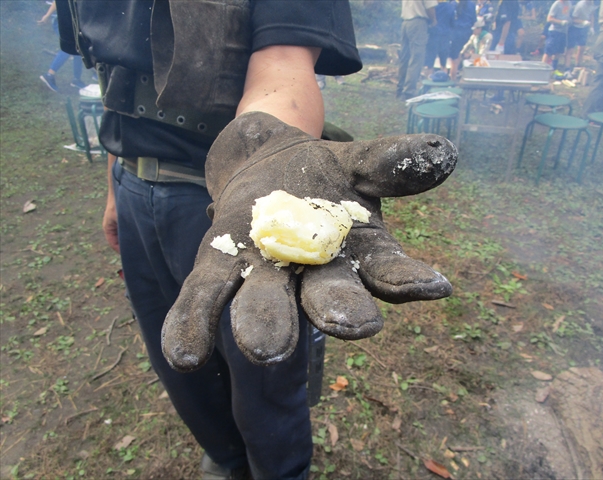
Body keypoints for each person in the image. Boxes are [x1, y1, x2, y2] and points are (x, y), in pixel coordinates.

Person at [55, 1, 457, 479]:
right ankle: (226, 460)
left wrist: (262, 153)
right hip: (131, 182)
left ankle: (278, 472)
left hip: (228, 198)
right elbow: (116, 81)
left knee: (264, 371)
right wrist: (115, 183)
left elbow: (284, 62)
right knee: (182, 365)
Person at [37, 1, 85, 92]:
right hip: (62, 21)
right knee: (69, 47)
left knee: (79, 48)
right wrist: (47, 15)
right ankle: (49, 75)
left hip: (72, 21)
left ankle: (76, 80)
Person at [397, 0, 438, 99]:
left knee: (404, 58)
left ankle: (400, 89)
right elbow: (430, 7)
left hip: (405, 22)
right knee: (416, 58)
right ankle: (408, 92)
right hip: (418, 22)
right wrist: (434, 20)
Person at [424, 0, 456, 78]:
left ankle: (428, 80)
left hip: (433, 35)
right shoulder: (450, 7)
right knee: (443, 62)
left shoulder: (433, 7)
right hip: (445, 36)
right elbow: (453, 23)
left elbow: (428, 20)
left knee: (430, 62)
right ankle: (443, 79)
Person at [449, 0, 478, 80]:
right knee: (462, 56)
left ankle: (453, 78)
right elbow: (474, 21)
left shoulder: (453, 4)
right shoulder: (471, 4)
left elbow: (450, 20)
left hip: (455, 33)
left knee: (454, 58)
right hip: (467, 34)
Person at [541, 0, 573, 71]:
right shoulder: (556, 4)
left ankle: (553, 69)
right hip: (554, 31)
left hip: (563, 32)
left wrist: (569, 21)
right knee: (548, 51)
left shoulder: (568, 4)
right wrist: (560, 22)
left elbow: (567, 15)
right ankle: (542, 69)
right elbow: (549, 18)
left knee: (558, 52)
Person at [566, 0, 597, 68]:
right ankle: (567, 67)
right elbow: (573, 19)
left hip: (584, 29)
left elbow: (592, 15)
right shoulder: (580, 6)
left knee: (582, 48)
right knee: (570, 49)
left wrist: (591, 27)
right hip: (574, 28)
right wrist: (583, 22)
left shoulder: (592, 4)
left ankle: (578, 65)